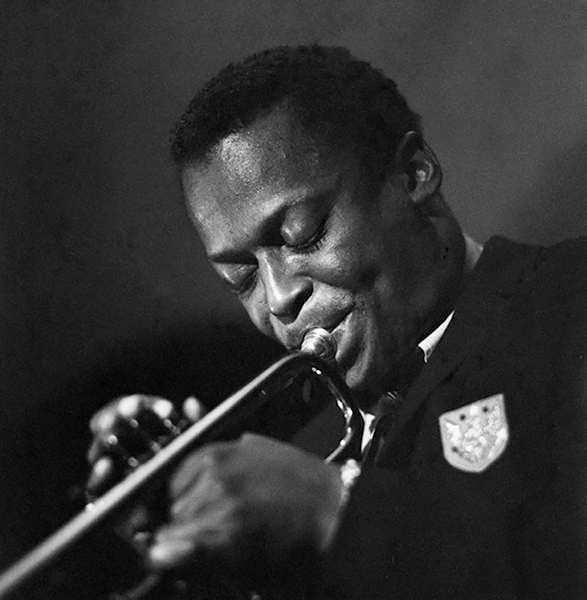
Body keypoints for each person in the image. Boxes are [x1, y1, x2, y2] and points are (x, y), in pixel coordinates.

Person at [87, 45, 587, 599]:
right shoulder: (309, 452)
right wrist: (180, 528)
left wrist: (335, 510)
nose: (278, 298)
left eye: (303, 235)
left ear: (413, 174)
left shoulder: (568, 301)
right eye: (241, 278)